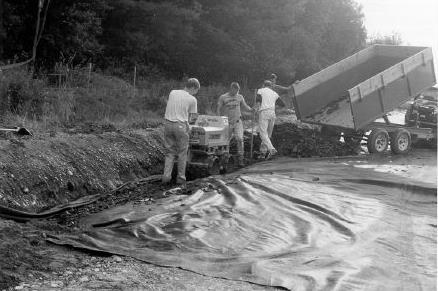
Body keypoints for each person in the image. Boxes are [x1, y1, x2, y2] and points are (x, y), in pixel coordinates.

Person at [162, 78, 200, 184]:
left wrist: (185, 121)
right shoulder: (192, 99)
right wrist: (188, 124)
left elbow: (175, 109)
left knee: (169, 153)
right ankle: (181, 179)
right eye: (196, 91)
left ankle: (166, 178)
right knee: (182, 153)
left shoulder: (173, 92)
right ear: (193, 88)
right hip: (180, 126)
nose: (195, 94)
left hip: (168, 124)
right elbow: (193, 118)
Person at [217, 82, 253, 167]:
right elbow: (218, 108)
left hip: (238, 121)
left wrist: (252, 109)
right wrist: (219, 118)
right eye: (235, 91)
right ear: (231, 88)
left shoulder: (240, 97)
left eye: (237, 91)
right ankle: (225, 159)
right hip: (227, 122)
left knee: (240, 139)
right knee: (226, 141)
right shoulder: (223, 97)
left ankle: (240, 159)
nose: (236, 93)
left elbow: (245, 106)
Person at [255, 80, 280, 159]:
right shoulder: (274, 93)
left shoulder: (260, 90)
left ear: (263, 85)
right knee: (267, 135)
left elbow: (258, 101)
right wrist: (274, 108)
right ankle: (263, 153)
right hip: (272, 113)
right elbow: (282, 104)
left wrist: (257, 110)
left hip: (264, 112)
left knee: (263, 134)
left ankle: (271, 149)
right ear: (270, 86)